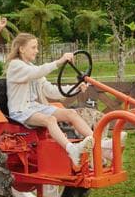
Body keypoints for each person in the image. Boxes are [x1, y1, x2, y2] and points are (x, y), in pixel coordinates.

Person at [5, 33, 94, 165]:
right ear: (22, 49)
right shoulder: (15, 66)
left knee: (71, 113)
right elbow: (37, 72)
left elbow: (51, 91)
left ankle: (99, 143)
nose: (37, 50)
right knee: (50, 120)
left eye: (37, 47)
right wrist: (59, 62)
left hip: (35, 108)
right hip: (20, 110)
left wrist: (76, 88)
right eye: (33, 47)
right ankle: (72, 151)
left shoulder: (34, 68)